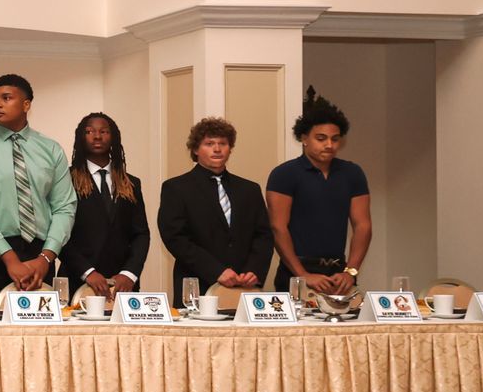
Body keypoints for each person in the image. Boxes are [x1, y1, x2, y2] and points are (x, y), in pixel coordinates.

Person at [0, 74, 75, 302]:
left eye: (6, 98)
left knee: (38, 334)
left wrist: (46, 258)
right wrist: (10, 259)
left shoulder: (51, 149)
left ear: (26, 104)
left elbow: (65, 207)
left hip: (39, 256)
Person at [266, 91, 370, 294]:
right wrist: (302, 275)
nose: (329, 145)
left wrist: (351, 272)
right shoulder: (284, 174)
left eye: (335, 139)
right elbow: (278, 227)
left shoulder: (352, 173)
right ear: (304, 138)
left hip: (340, 275)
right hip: (296, 274)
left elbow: (363, 225)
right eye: (321, 138)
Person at [158, 116, 273, 295]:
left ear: (230, 148)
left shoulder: (249, 189)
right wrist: (216, 271)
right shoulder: (176, 188)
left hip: (246, 285)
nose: (217, 149)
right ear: (195, 149)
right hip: (197, 286)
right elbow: (175, 238)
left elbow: (263, 236)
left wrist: (254, 270)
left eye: (223, 143)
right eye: (209, 143)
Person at [58, 112, 149, 298]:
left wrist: (129, 274)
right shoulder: (65, 180)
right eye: (89, 131)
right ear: (80, 138)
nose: (97, 136)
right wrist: (88, 272)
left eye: (104, 131)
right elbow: (58, 233)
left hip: (123, 285)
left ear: (113, 137)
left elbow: (141, 234)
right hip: (77, 280)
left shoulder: (131, 183)